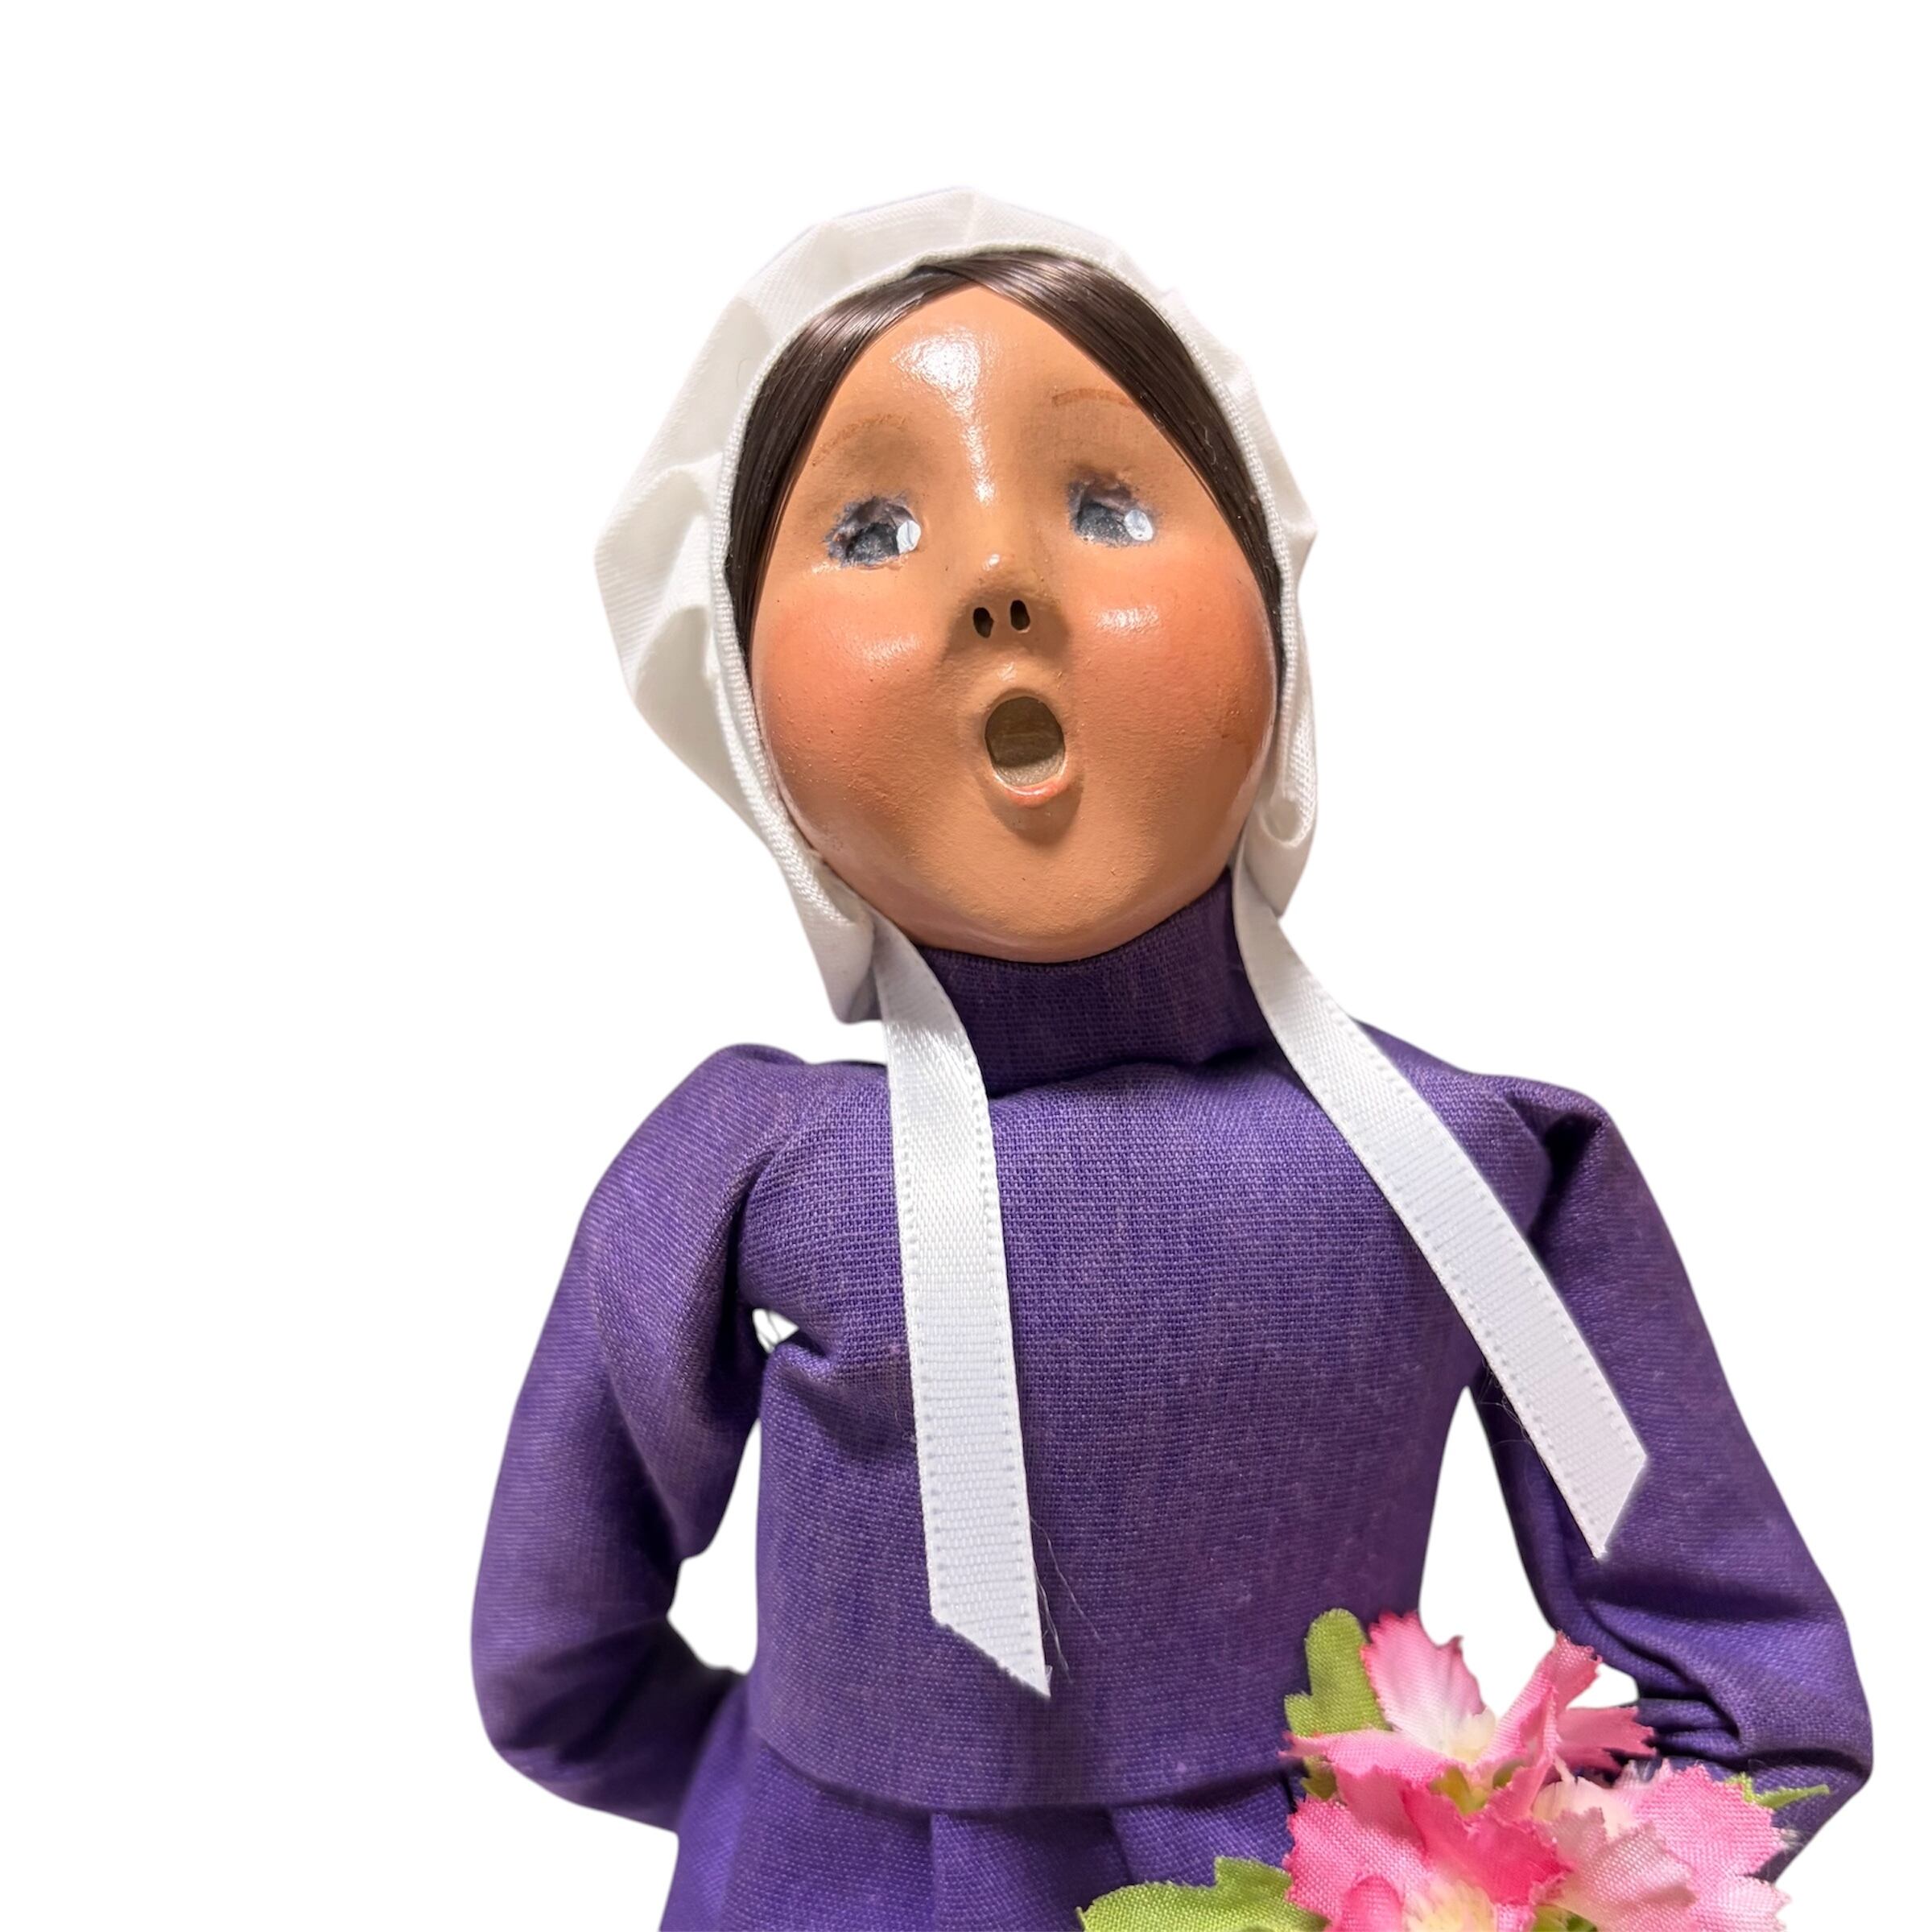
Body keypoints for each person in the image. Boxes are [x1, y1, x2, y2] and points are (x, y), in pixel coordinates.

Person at [471, 192, 1870, 1931]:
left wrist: (1545, 1882)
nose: (998, 581)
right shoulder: (751, 1174)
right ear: (744, 699)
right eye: (874, 529)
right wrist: (787, 1792)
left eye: (1108, 505)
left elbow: (1751, 1699)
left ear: (1275, 624)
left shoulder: (1482, 1171)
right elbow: (551, 1654)